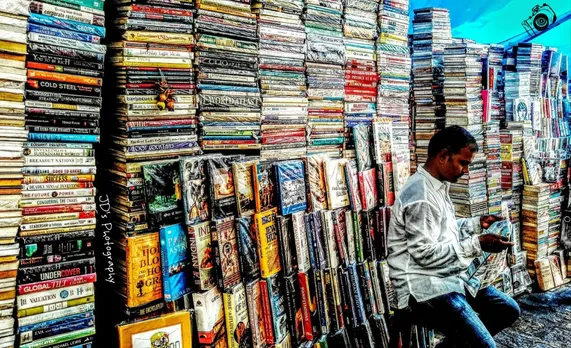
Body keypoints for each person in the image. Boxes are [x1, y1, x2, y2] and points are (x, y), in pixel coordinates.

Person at [387, 126, 521, 348]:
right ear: (443, 156)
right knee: (487, 346)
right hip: (425, 285)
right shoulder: (422, 195)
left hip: (447, 275)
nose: (465, 171)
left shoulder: (437, 184)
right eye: (463, 163)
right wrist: (477, 244)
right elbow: (425, 255)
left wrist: (475, 224)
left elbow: (441, 230)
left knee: (508, 309)